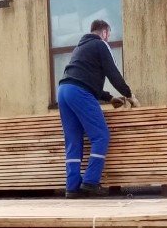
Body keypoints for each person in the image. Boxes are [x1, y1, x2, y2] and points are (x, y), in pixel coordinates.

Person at [57, 19, 140, 197]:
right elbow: (113, 72)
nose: (108, 38)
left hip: (63, 91)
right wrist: (128, 94)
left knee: (73, 141)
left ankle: (72, 188)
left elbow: (83, 78)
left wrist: (109, 98)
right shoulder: (101, 45)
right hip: (79, 92)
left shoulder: (79, 48)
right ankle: (90, 182)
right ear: (104, 32)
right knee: (101, 136)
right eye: (108, 34)